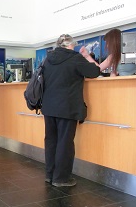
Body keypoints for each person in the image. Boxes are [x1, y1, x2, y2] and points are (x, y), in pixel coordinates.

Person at [41, 34, 100, 187]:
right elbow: (94, 71)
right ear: (71, 45)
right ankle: (61, 179)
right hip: (67, 107)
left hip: (48, 106)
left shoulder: (48, 59)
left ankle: (50, 174)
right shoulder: (74, 57)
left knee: (51, 140)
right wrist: (86, 56)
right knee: (65, 143)